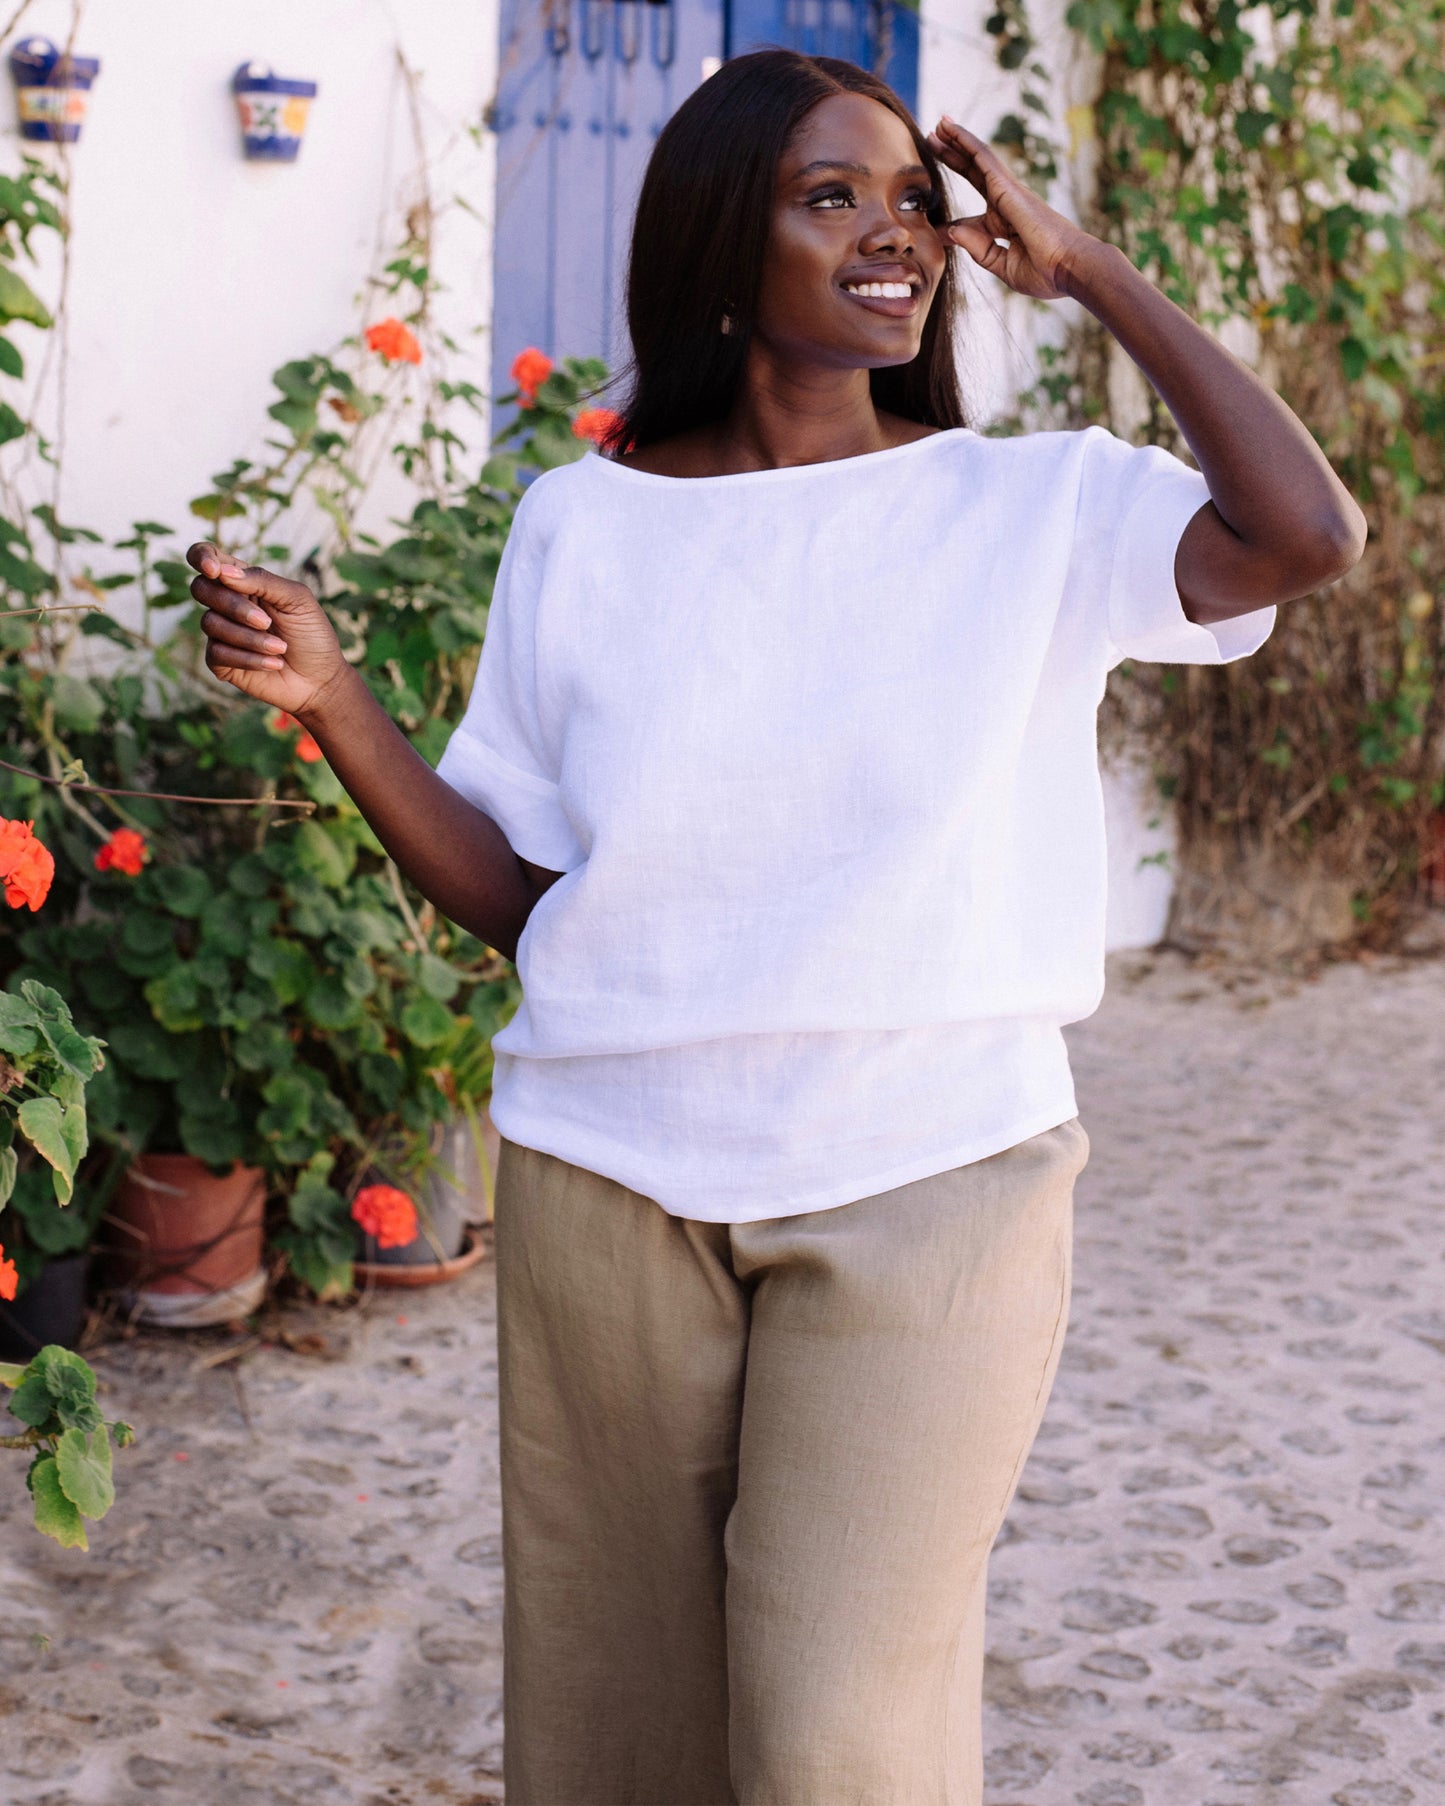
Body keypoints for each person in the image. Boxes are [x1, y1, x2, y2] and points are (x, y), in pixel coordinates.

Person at [189, 48, 1366, 1806]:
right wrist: (338, 700)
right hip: (610, 1185)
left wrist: (1095, 273)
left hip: (930, 1179)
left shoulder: (1024, 505)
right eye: (835, 198)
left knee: (833, 1740)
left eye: (912, 199)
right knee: (619, 1738)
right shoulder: (581, 527)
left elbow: (1306, 533)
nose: (894, 235)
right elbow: (529, 896)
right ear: (718, 243)